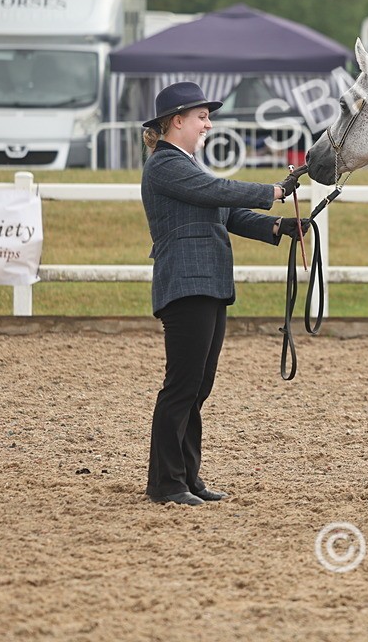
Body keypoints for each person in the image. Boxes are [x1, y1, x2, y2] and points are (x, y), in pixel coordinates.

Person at [141, 81, 307, 506]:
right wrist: (271, 192)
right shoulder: (165, 165)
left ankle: (187, 477)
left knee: (198, 386)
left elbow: (226, 211)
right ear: (177, 120)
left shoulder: (188, 166)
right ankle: (165, 484)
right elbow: (218, 192)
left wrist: (276, 227)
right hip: (187, 283)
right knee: (182, 385)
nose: (208, 124)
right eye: (202, 117)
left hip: (208, 283)